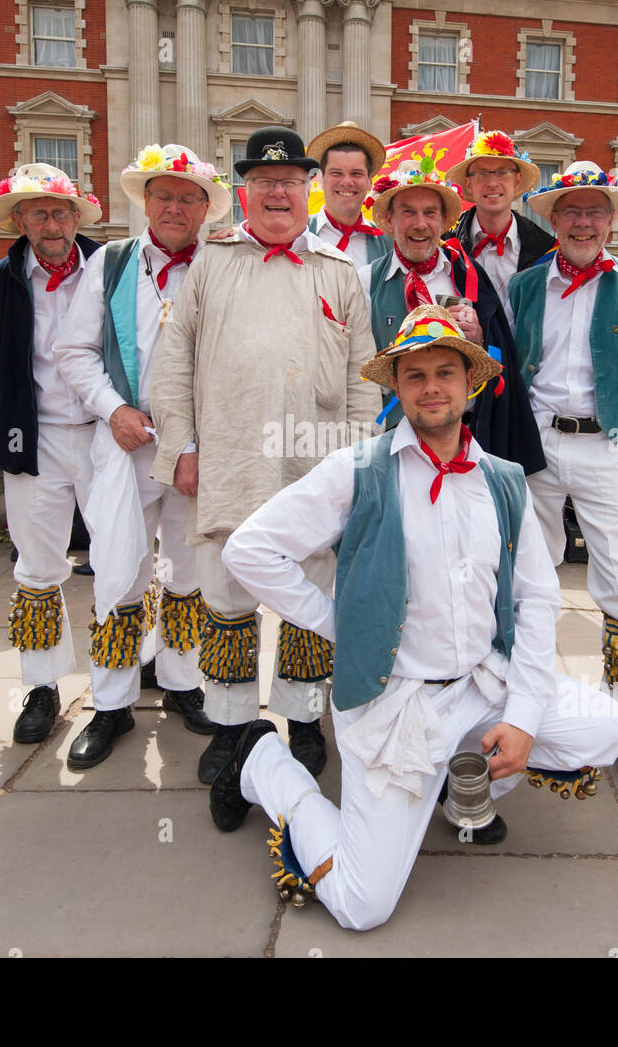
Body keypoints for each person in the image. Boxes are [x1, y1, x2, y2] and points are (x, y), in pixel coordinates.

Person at [209, 304, 618, 931]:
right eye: (414, 375)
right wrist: (339, 623)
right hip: (396, 704)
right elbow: (250, 548)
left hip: (481, 687)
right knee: (361, 906)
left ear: (471, 384)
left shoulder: (504, 481)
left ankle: (461, 786)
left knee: (609, 730)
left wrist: (520, 718)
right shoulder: (358, 471)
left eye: (445, 372)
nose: (431, 387)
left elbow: (537, 600)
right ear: (397, 389)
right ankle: (263, 765)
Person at [149, 125, 382, 785]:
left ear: (308, 189)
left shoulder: (342, 275)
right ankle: (230, 726)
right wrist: (183, 447)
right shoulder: (209, 265)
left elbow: (367, 374)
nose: (277, 192)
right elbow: (173, 365)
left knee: (309, 596)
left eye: (289, 181)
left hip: (315, 466)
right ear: (243, 192)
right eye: (263, 182)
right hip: (230, 459)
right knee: (227, 598)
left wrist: (361, 464)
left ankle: (304, 719)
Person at [52, 144, 231, 767]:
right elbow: (72, 352)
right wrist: (114, 410)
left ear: (206, 208)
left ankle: (183, 683)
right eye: (163, 195)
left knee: (188, 573)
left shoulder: (225, 263)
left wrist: (200, 444)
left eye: (188, 196)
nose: (175, 206)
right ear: (146, 202)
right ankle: (111, 705)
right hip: (126, 443)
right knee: (118, 569)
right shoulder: (112, 261)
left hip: (196, 448)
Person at [508, 161, 618, 793]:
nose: (584, 221)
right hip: (538, 446)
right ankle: (532, 708)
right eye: (572, 211)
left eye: (596, 210)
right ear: (553, 220)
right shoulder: (526, 286)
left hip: (609, 449)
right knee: (530, 574)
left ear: (611, 220)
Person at [0, 163, 105, 747]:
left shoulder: (110, 267)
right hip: (37, 436)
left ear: (77, 216)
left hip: (107, 431)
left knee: (125, 557)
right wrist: (10, 420)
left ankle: (127, 677)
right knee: (36, 564)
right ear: (19, 220)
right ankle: (43, 686)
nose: (51, 223)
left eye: (60, 211)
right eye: (38, 212)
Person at [360, 158, 545, 476]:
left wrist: (479, 339)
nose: (420, 223)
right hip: (393, 444)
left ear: (445, 220)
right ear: (389, 220)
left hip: (467, 442)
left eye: (430, 213)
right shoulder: (366, 282)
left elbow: (501, 362)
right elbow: (359, 374)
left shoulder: (471, 275)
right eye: (408, 212)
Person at [443, 129, 555, 321]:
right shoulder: (445, 244)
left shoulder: (545, 249)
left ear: (517, 180)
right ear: (468, 184)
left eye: (503, 173)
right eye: (482, 174)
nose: (492, 183)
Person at [305, 121, 390, 271]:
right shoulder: (299, 235)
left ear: (369, 181)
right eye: (336, 173)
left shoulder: (388, 242)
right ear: (320, 178)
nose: (346, 182)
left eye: (356, 173)